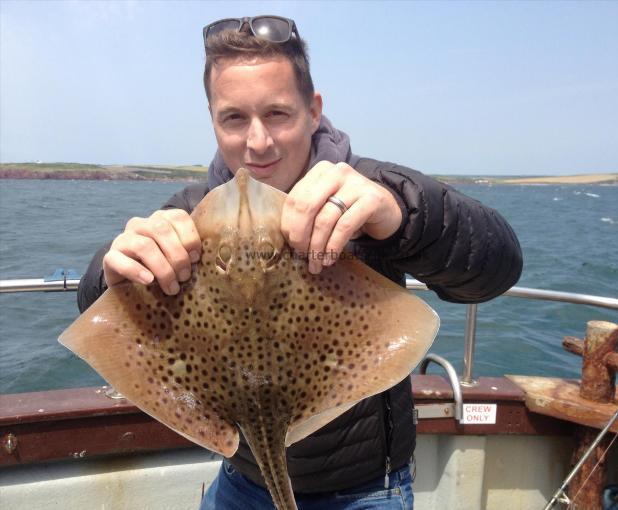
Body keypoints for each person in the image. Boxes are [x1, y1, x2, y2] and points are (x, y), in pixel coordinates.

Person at [77, 15, 523, 510]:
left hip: (365, 490)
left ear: (313, 111)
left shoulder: (369, 190)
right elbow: (97, 310)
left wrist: (399, 218)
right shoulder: (190, 212)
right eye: (234, 118)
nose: (258, 142)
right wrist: (112, 274)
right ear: (212, 119)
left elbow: (497, 267)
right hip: (241, 481)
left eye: (278, 114)